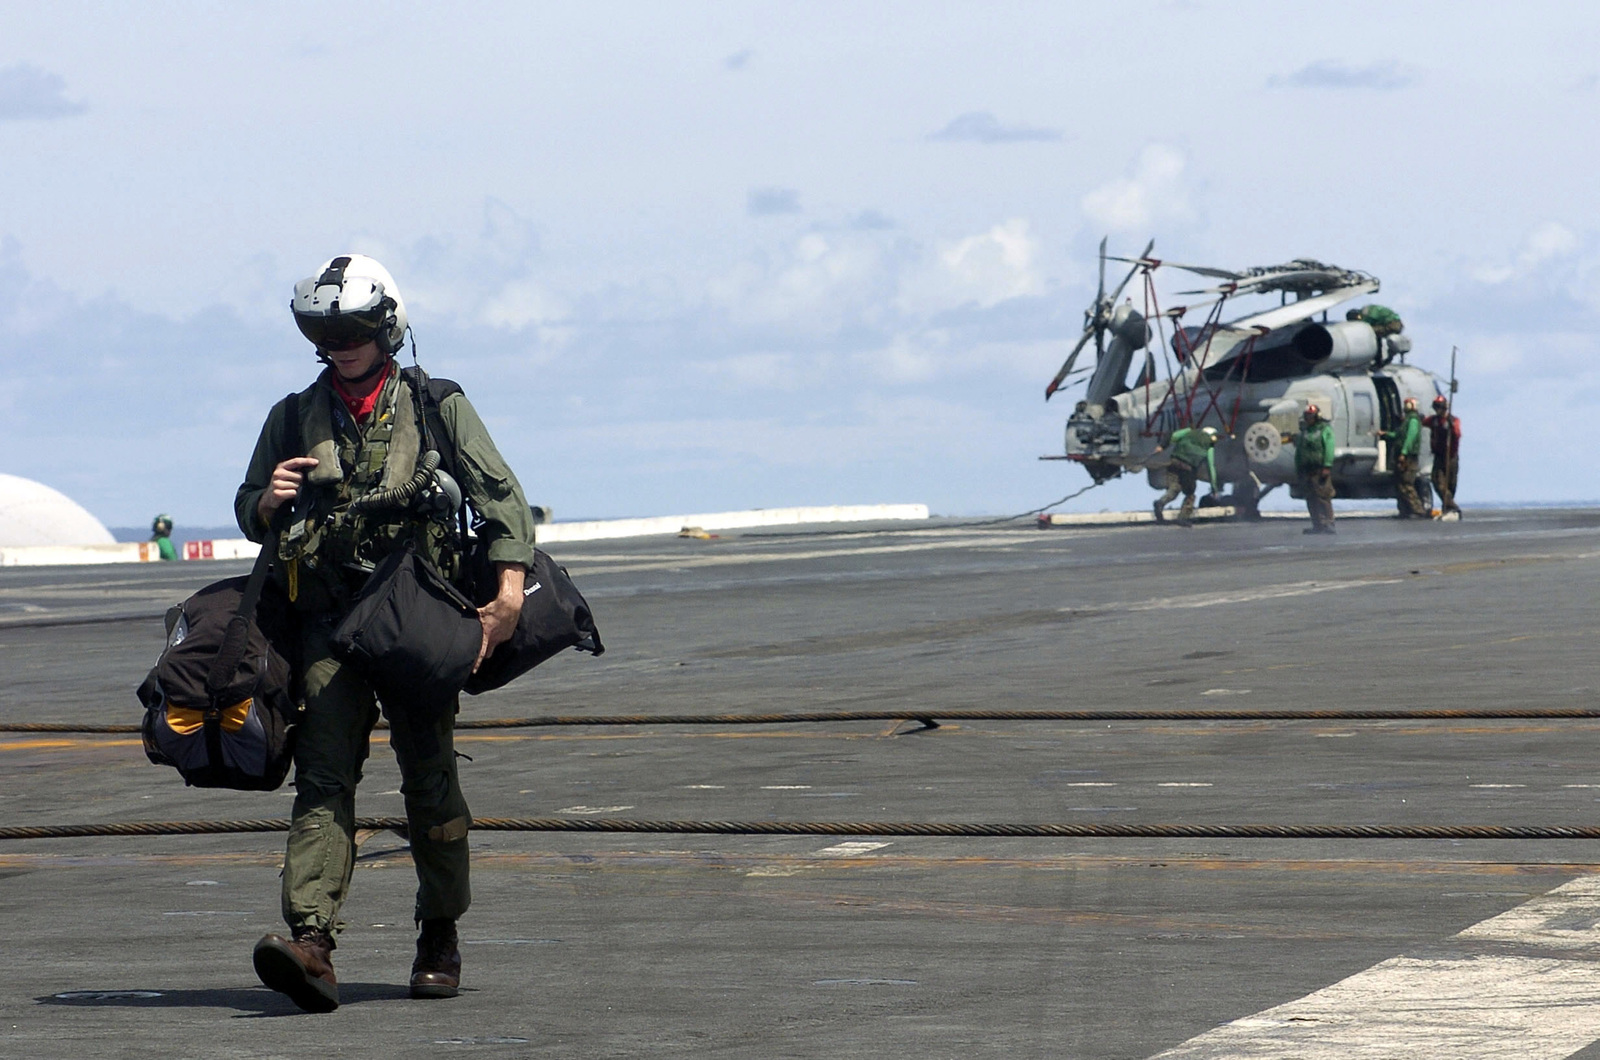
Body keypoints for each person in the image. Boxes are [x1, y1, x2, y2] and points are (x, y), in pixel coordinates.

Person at [234, 254, 537, 1012]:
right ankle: (312, 943)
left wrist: (505, 595)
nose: (341, 345)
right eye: (328, 333)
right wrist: (266, 501)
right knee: (324, 781)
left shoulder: (436, 403)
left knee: (430, 781)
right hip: (331, 626)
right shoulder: (291, 416)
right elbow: (247, 510)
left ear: (387, 330)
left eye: (354, 332)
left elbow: (502, 498)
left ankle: (439, 932)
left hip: (415, 621)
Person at [1152, 425, 1219, 527]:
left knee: (1175, 488)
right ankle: (1182, 518)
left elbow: (1172, 436)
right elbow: (1211, 467)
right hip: (1187, 468)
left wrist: (1161, 446)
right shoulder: (1209, 445)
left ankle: (1160, 503)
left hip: (1174, 462)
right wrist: (1214, 488)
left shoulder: (1189, 431)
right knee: (1190, 495)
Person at [1383, 397, 1429, 518]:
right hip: (1404, 456)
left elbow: (1410, 438)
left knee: (1407, 484)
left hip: (1409, 457)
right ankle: (1405, 510)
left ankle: (1418, 510)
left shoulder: (1413, 421)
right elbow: (1398, 435)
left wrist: (1403, 452)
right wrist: (1385, 434)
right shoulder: (1407, 421)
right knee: (1400, 484)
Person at [1295, 404, 1336, 534]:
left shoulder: (1325, 430)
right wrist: (1298, 467)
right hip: (1306, 470)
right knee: (1311, 498)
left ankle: (1328, 523)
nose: (1308, 419)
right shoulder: (1305, 431)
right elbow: (1299, 451)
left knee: (1323, 497)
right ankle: (1317, 524)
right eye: (1307, 416)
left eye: (1310, 416)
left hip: (1319, 469)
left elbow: (1329, 448)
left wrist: (1327, 465)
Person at [1421, 395, 1462, 517]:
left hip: (1451, 456)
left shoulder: (1453, 420)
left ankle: (1448, 506)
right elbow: (1424, 422)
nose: (1438, 410)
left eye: (1440, 407)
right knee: (1437, 481)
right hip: (1439, 456)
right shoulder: (1434, 420)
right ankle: (1451, 505)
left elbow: (1457, 434)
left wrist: (1451, 427)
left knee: (1451, 483)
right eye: (1436, 407)